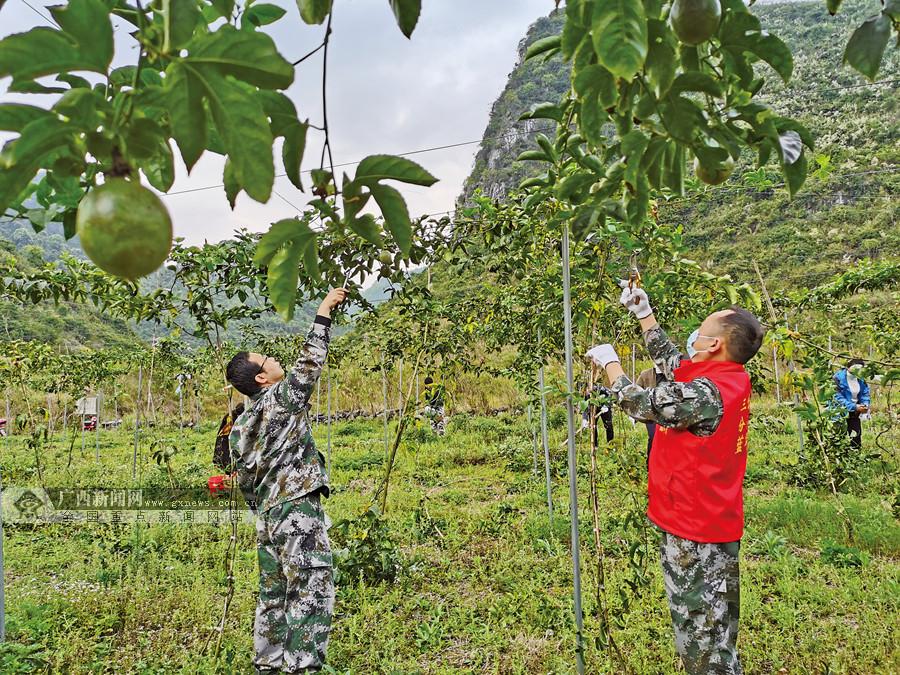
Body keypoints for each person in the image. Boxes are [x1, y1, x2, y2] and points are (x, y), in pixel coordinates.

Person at [586, 280, 765, 675]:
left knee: (700, 633)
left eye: (700, 332)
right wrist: (643, 314)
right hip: (707, 518)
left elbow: (641, 402)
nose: (694, 337)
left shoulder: (707, 393)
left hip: (695, 528)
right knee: (714, 628)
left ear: (714, 345)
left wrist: (610, 364)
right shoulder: (726, 376)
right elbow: (673, 362)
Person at [225, 288, 347, 675]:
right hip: (296, 510)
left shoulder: (240, 424)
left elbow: (244, 479)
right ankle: (302, 668)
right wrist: (323, 313)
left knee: (273, 595)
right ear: (262, 377)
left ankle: (269, 666)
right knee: (311, 590)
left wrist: (261, 510)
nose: (274, 358)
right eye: (267, 359)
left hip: (267, 518)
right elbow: (309, 365)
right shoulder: (279, 399)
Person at [833, 358, 871, 449]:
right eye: (855, 368)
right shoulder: (837, 378)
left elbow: (865, 393)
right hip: (840, 411)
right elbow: (837, 397)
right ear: (848, 367)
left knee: (855, 436)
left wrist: (865, 404)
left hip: (855, 412)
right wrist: (854, 406)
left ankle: (856, 458)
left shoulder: (860, 378)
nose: (857, 370)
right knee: (838, 437)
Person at [580, 381, 614, 446]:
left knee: (608, 425)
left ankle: (611, 445)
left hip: (604, 405)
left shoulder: (600, 387)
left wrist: (606, 405)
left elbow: (610, 394)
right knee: (593, 426)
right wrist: (584, 419)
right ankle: (595, 446)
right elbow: (584, 406)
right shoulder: (584, 390)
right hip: (592, 407)